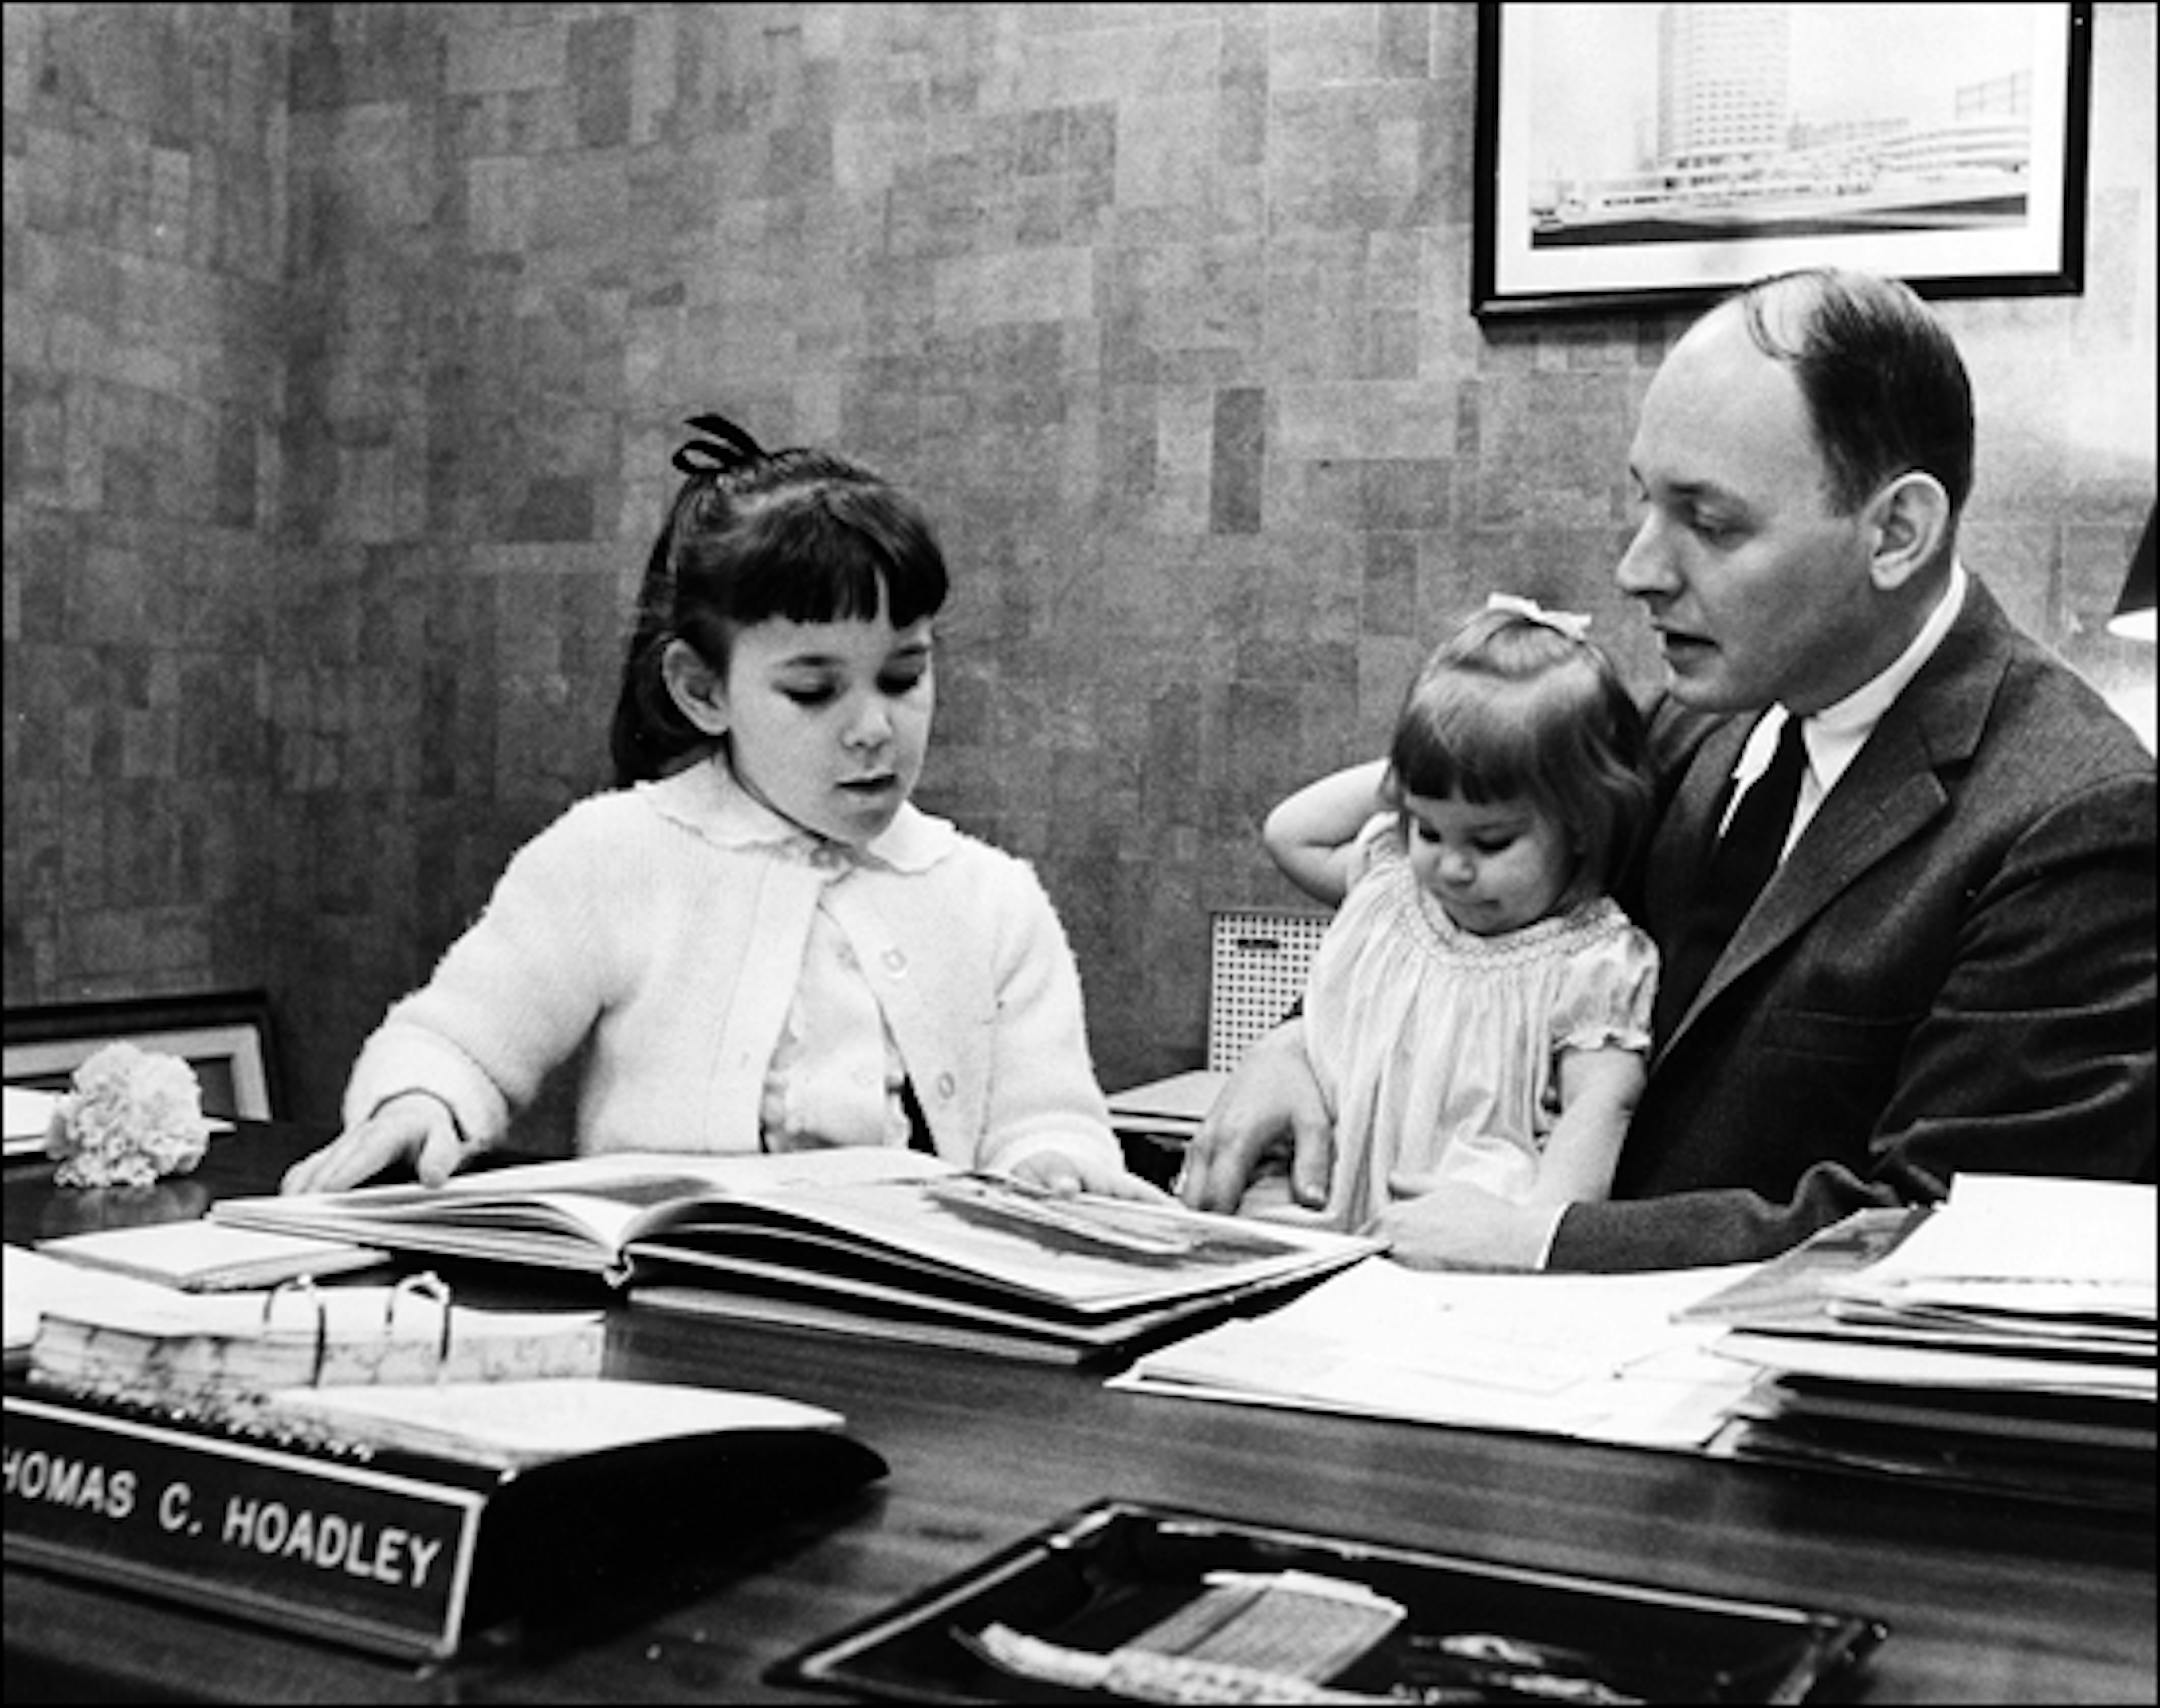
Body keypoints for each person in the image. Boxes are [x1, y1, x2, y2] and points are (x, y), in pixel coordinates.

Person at [1180, 266, 2156, 1271]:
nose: (1638, 567)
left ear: (1897, 531)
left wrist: (1551, 1241)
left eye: (1710, 520)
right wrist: (1297, 1043)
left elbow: (1948, 1231)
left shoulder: (2079, 819)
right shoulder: (1682, 731)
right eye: (1646, 503)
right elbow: (1485, 914)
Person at [284, 416, 1158, 1200]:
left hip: (906, 1331)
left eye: (904, 676)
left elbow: (1047, 1117)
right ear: (704, 690)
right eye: (812, 691)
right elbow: (462, 1041)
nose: (872, 729)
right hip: (667, 1313)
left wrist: (1056, 1164)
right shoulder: (615, 856)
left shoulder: (989, 899)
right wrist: (417, 1103)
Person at [1246, 594, 1657, 1233]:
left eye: (1490, 842)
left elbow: (1601, 1106)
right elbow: (1288, 832)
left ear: (1580, 824)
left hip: (1466, 1220)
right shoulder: (1393, 890)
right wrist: (1426, 765)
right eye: (1429, 830)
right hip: (1330, 1202)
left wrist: (1534, 1232)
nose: (1451, 867)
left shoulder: (1592, 960)